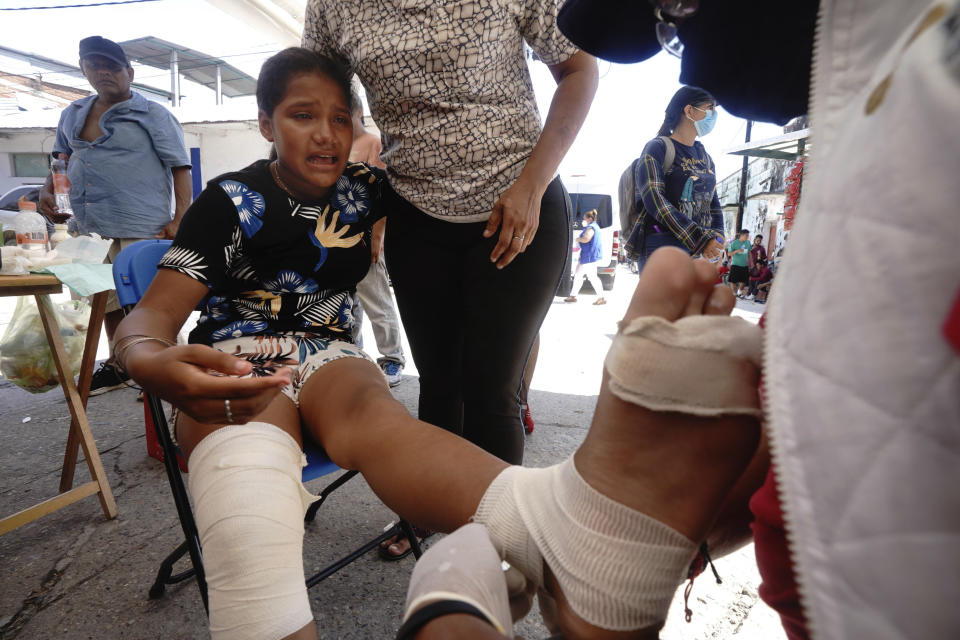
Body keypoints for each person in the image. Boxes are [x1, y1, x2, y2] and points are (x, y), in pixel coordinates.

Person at [114, 48, 765, 640]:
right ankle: (548, 536)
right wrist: (147, 360)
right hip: (239, 359)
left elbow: (423, 172)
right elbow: (148, 321)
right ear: (264, 124)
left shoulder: (362, 190)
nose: (325, 134)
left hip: (332, 358)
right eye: (302, 115)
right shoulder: (232, 201)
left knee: (379, 416)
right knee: (248, 462)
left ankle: (564, 536)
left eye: (341, 119)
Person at [558, 1, 960, 639]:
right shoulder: (874, 131)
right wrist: (639, 536)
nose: (693, 60)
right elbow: (801, 418)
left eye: (679, 7)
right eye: (668, 28)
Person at [303, 0, 598, 558]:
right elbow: (322, 90)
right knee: (439, 387)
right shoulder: (334, 6)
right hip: (415, 210)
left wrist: (533, 185)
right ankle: (428, 514)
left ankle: (499, 545)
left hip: (517, 206)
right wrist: (357, 161)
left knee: (491, 390)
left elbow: (580, 66)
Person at [38, 35, 192, 396]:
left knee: (148, 302)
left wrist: (181, 216)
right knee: (103, 300)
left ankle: (166, 367)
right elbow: (60, 159)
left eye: (112, 67)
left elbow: (180, 167)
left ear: (130, 72)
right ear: (84, 70)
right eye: (95, 66)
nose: (104, 73)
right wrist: (48, 188)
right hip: (88, 227)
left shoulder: (154, 115)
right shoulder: (73, 113)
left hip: (140, 225)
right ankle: (121, 363)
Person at [621, 85, 725, 270]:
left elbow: (713, 203)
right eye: (710, 108)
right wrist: (700, 239)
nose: (714, 114)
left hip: (698, 250)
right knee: (661, 300)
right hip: (663, 245)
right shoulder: (657, 148)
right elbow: (655, 202)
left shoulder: (704, 156)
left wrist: (717, 238)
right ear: (689, 110)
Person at [348, 89, 406, 387]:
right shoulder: (338, 145)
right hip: (340, 240)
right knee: (348, 301)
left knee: (376, 300)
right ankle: (351, 352)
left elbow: (383, 194)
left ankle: (392, 358)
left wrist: (377, 237)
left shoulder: (372, 143)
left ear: (358, 112)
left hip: (368, 238)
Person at [564, 208, 606, 304]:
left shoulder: (591, 227)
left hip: (589, 257)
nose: (584, 221)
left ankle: (601, 298)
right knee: (578, 275)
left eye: (585, 219)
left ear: (590, 219)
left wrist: (578, 239)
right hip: (588, 256)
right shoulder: (595, 226)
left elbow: (586, 238)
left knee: (592, 277)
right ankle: (573, 296)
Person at [726, 229, 751, 297]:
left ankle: (739, 292)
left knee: (744, 280)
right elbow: (729, 254)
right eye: (746, 235)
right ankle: (733, 293)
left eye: (748, 235)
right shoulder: (734, 243)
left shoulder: (748, 243)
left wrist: (752, 263)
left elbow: (749, 253)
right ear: (741, 235)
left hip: (744, 265)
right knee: (733, 280)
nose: (747, 237)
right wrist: (736, 251)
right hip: (735, 264)